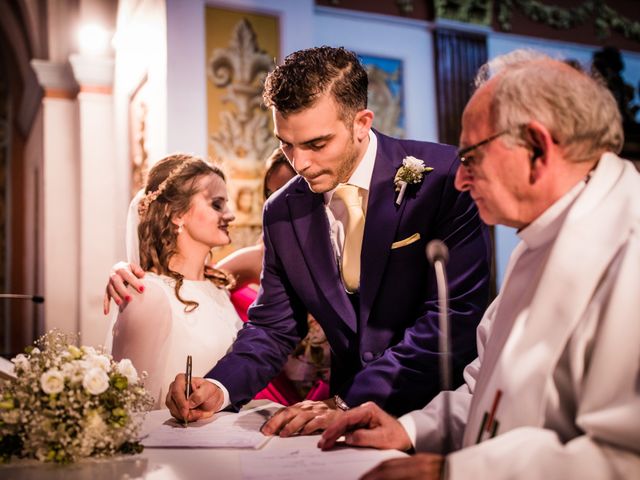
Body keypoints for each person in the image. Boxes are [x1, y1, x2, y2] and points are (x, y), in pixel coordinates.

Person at [108, 47, 490, 432]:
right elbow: (272, 326)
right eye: (286, 144)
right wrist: (219, 387)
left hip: (436, 416)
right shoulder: (281, 212)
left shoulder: (443, 179)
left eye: (316, 144)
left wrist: (348, 400)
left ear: (361, 122)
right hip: (336, 429)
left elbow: (451, 318)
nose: (299, 163)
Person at [319, 50, 640, 479]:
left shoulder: (628, 250)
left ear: (537, 148)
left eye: (470, 158)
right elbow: (489, 393)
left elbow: (625, 458)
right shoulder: (541, 240)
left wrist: (456, 472)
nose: (459, 179)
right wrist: (410, 427)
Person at [109, 154, 242, 409]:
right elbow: (131, 410)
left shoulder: (217, 288)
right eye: (217, 204)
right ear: (177, 214)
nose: (231, 215)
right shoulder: (147, 296)